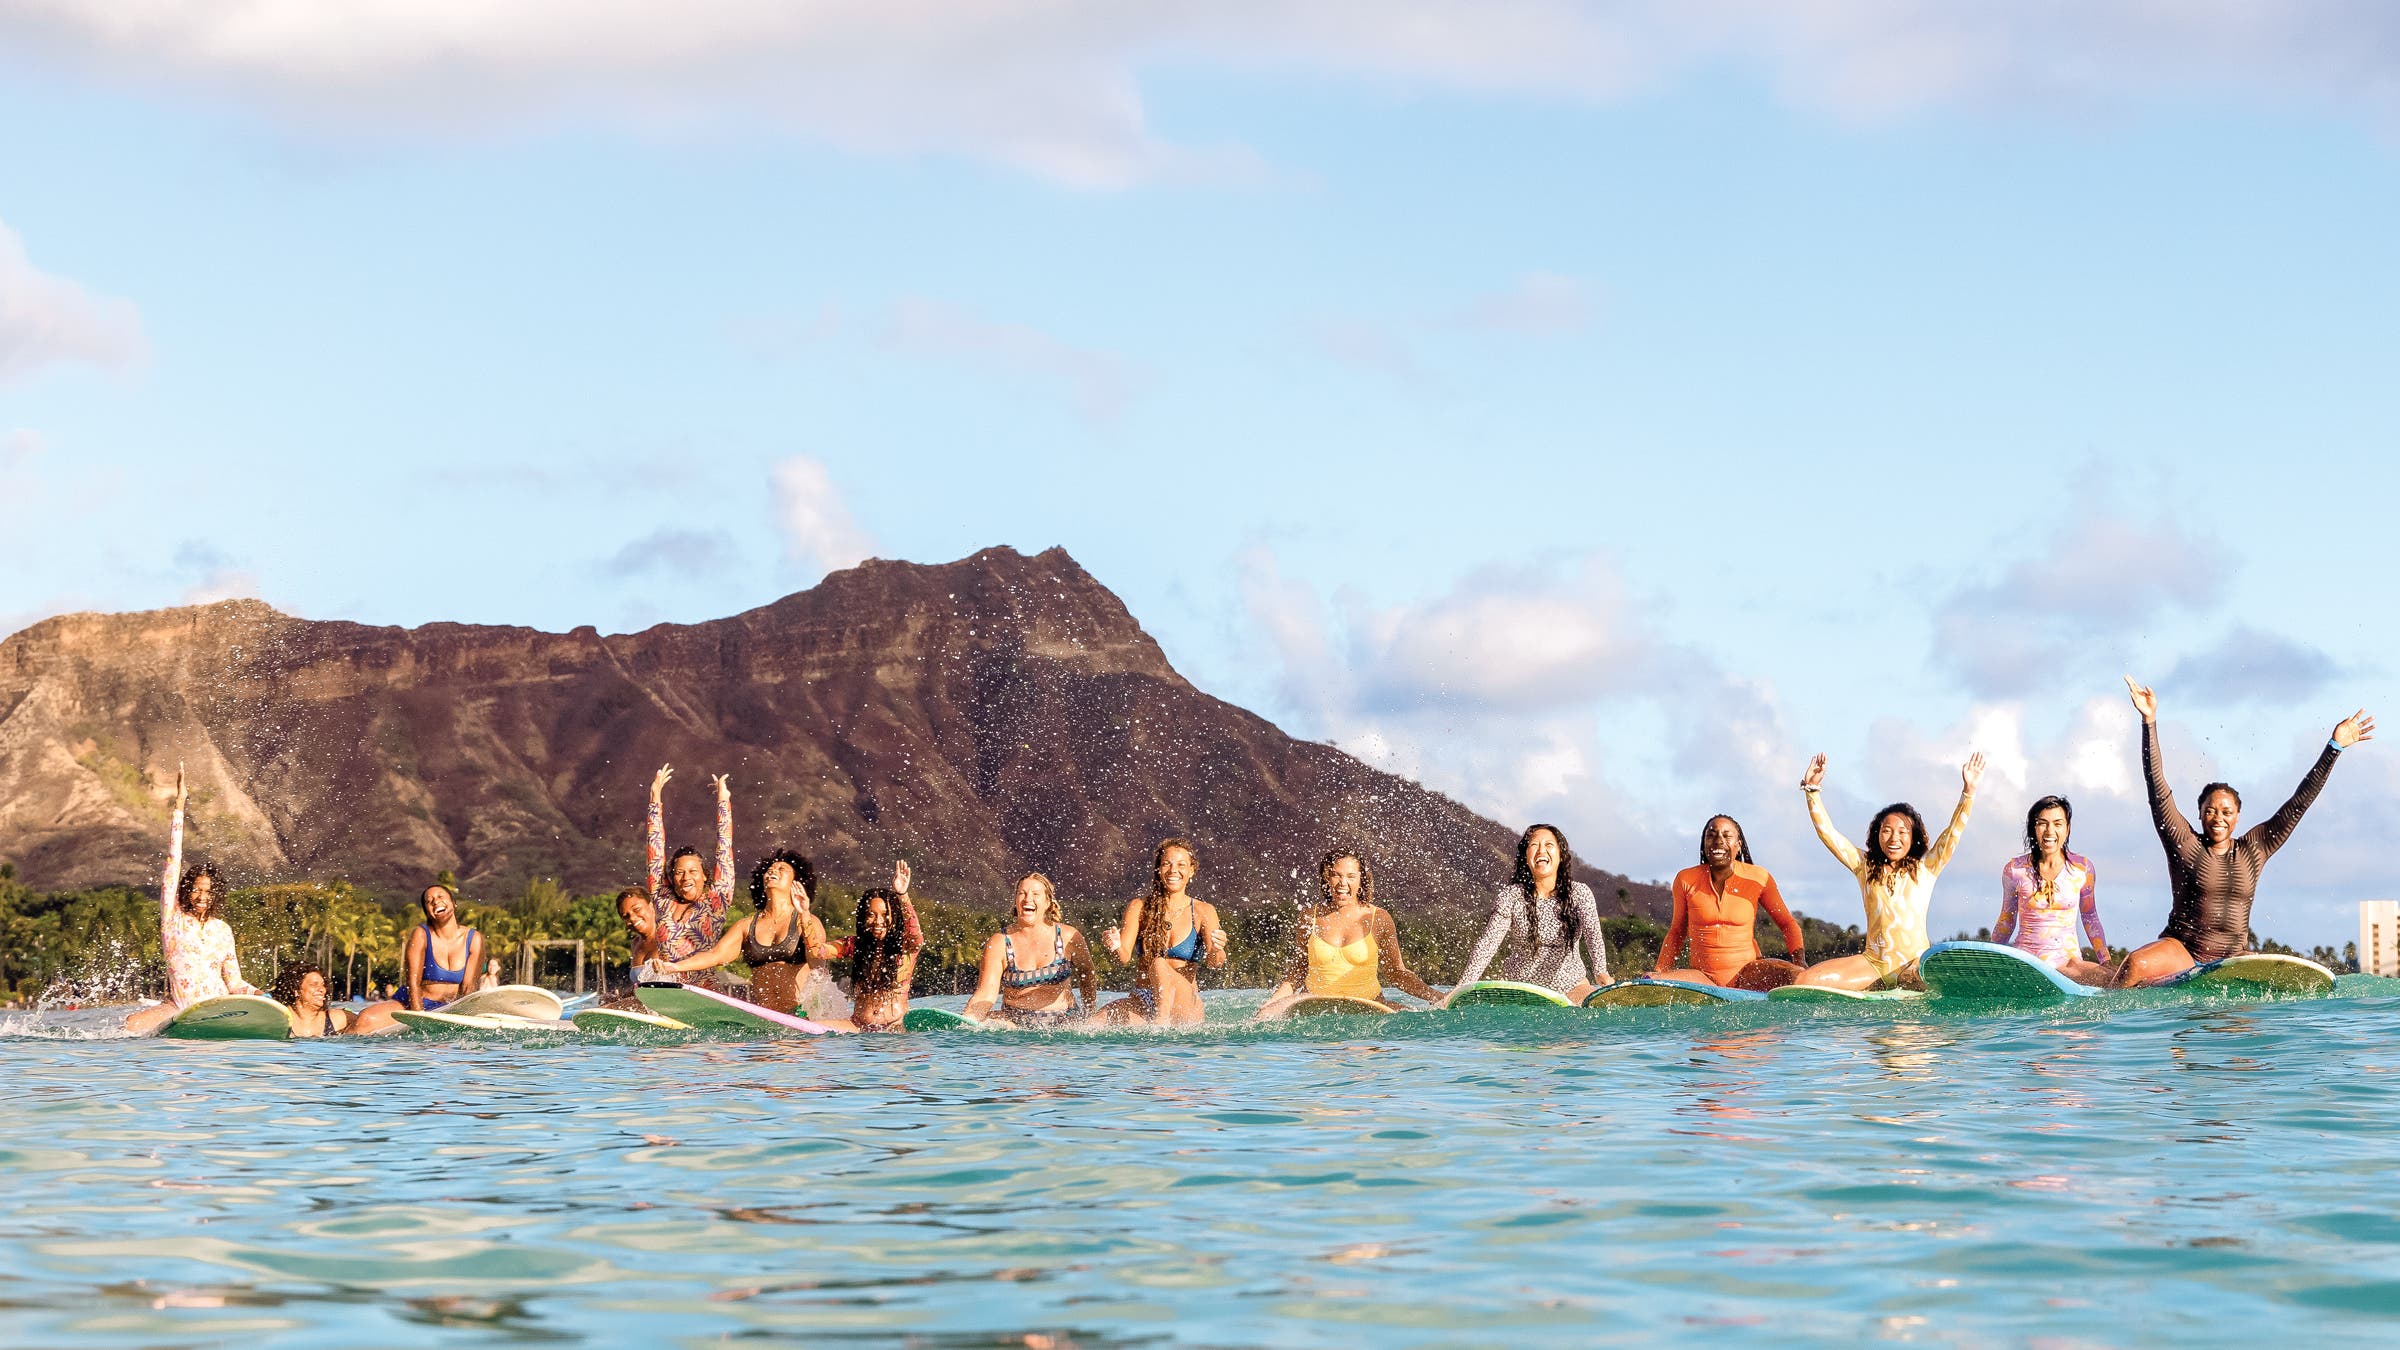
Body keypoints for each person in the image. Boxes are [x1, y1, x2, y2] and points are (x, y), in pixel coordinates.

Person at [2115, 677, 2373, 986]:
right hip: (2183, 950)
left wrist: (2334, 748)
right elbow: (2157, 787)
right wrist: (2149, 721)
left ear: (2238, 816)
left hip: (2231, 957)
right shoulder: (2185, 843)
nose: (2218, 818)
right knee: (2135, 963)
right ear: (2199, 813)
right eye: (2210, 810)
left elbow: (2298, 803)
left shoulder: (2255, 848)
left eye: (2226, 812)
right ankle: (2110, 1006)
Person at [1793, 751, 1985, 990]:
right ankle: (1877, 985)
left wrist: (1968, 793)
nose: (1894, 838)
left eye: (1903, 832)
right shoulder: (1864, 866)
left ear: (1913, 837)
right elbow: (1829, 835)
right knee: (1805, 981)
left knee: (1908, 982)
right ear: (1877, 834)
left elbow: (1953, 833)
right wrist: (1812, 790)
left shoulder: (1926, 868)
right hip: (1873, 963)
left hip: (1913, 966)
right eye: (1887, 830)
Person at [124, 767, 262, 1035]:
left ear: (216, 895)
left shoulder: (222, 930)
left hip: (219, 1007)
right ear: (187, 890)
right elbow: (173, 863)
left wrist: (260, 994)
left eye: (209, 892)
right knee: (130, 1026)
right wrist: (179, 805)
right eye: (197, 890)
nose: (202, 897)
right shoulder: (172, 918)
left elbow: (234, 983)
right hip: (179, 1006)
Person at [1256, 849, 1443, 1018]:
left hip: (1371, 1006)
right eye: (1336, 875)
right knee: (1262, 1018)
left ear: (1362, 879)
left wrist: (1436, 996)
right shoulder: (1308, 917)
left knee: (1420, 1021)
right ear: (1326, 878)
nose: (1342, 883)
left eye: (1351, 876)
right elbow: (1298, 971)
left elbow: (1397, 973)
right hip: (1314, 1006)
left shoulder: (1379, 918)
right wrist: (1272, 1003)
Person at [653, 849, 840, 1014]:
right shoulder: (746, 925)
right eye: (769, 870)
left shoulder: (806, 921)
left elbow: (818, 964)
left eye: (782, 869)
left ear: (796, 882)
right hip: (763, 1016)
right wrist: (676, 967)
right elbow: (715, 955)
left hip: (799, 1015)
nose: (773, 871)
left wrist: (805, 913)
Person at [1445, 823, 1612, 1004]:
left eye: (1549, 845)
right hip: (1521, 990)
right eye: (1534, 845)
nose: (1541, 850)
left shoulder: (1579, 893)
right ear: (1526, 857)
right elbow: (1488, 944)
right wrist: (1461, 988)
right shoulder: (1511, 896)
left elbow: (1593, 934)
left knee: (1594, 1007)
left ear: (1561, 855)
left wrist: (1600, 971)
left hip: (1572, 987)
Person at [1652, 816, 1807, 989]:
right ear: (1704, 844)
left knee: (1799, 977)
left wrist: (1799, 961)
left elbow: (1787, 924)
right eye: (1711, 835)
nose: (1718, 841)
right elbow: (1677, 932)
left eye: (1727, 836)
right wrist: (1660, 970)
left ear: (1738, 845)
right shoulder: (1686, 879)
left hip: (1749, 975)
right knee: (1654, 981)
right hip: (1703, 978)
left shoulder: (1759, 877)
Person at [1100, 839, 1227, 1026]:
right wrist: (1115, 945)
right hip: (1144, 997)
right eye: (1166, 864)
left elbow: (1215, 963)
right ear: (1158, 869)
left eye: (1181, 865)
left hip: (1183, 1001)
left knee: (1158, 963)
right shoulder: (1139, 907)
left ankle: (1161, 1024)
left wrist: (1217, 949)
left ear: (1191, 871)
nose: (1173, 870)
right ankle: (1158, 1022)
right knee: (1095, 1023)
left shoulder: (1203, 911)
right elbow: (1124, 957)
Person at [1991, 795, 2113, 985]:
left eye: (2058, 823)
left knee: (2112, 979)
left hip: (2069, 962)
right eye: (2042, 823)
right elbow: (2007, 919)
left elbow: (2090, 917)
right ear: (2033, 828)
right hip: (2027, 962)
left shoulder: (2082, 869)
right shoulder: (2015, 870)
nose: (2050, 831)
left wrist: (2105, 961)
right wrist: (1991, 957)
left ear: (2067, 829)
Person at [965, 872, 1098, 1029]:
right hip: (1014, 1023)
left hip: (1064, 1023)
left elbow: (1088, 974)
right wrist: (967, 1022)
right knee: (992, 1025)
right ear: (1015, 900)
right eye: (1022, 893)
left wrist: (1089, 1015)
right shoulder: (999, 942)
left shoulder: (1069, 936)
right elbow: (986, 993)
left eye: (1036, 894)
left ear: (1048, 902)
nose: (1028, 899)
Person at [645, 763, 734, 968]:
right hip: (667, 986)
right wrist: (654, 798)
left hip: (701, 988)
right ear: (672, 877)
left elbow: (725, 847)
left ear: (704, 875)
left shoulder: (717, 899)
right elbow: (655, 848)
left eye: (693, 871)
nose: (686, 878)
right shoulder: (662, 898)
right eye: (679, 872)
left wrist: (723, 801)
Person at [838, 876, 924, 1032]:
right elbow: (818, 950)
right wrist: (803, 913)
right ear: (863, 918)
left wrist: (903, 895)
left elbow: (915, 934)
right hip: (857, 1028)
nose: (878, 921)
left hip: (896, 1028)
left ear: (895, 916)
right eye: (871, 914)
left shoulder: (906, 947)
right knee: (815, 1027)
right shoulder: (855, 945)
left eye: (885, 914)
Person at [402, 883, 486, 1011]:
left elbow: (468, 988)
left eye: (441, 896)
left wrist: (461, 1015)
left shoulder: (474, 938)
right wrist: (419, 1017)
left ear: (453, 903)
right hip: (417, 1004)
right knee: (365, 1021)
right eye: (429, 901)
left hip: (450, 1007)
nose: (436, 902)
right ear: (427, 912)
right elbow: (412, 985)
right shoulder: (421, 935)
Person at [275, 963, 352, 1037]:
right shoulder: (278, 1019)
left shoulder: (336, 1018)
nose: (322, 989)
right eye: (314, 984)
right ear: (296, 990)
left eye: (323, 985)